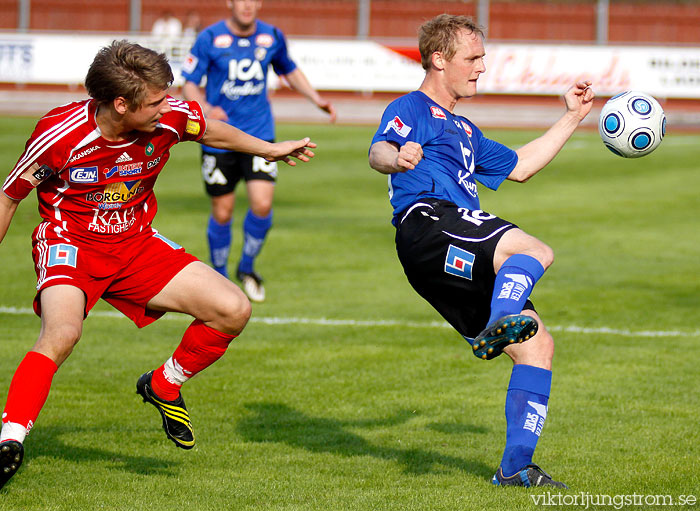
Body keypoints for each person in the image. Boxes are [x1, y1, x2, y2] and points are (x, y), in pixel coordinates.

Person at [0, 40, 316, 490]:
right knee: (62, 333)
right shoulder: (61, 135)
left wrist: (266, 149)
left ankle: (164, 384)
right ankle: (9, 441)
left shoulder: (166, 115)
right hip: (71, 243)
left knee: (232, 309)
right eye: (155, 101)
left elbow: (209, 130)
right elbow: (10, 195)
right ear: (121, 104)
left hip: (135, 242)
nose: (167, 107)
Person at [368, 14, 594, 488]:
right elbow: (378, 152)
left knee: (536, 345)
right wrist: (397, 156)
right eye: (472, 58)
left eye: (482, 58)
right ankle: (500, 314)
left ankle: (514, 467)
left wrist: (573, 115)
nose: (481, 68)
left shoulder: (467, 130)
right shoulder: (412, 107)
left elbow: (523, 166)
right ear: (438, 59)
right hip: (427, 221)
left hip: (442, 249)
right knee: (533, 249)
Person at [182, 0, 336, 303]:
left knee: (262, 205)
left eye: (253, 0)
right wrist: (207, 108)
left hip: (261, 137)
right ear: (230, 4)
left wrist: (316, 100)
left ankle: (248, 268)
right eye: (241, 1)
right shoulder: (209, 38)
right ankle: (220, 276)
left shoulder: (272, 36)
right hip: (220, 137)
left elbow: (289, 70)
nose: (247, 6)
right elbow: (189, 83)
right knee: (222, 211)